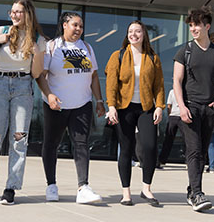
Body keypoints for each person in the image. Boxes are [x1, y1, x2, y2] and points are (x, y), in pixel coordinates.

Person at [0, 0, 46, 205]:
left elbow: (36, 73)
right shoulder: (2, 30)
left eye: (19, 12)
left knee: (19, 138)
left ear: (28, 14)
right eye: (12, 11)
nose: (14, 15)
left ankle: (11, 187)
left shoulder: (38, 39)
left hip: (23, 86)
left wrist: (36, 53)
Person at [36, 12, 106, 204]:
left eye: (81, 26)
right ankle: (51, 185)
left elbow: (93, 76)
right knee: (51, 144)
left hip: (82, 104)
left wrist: (99, 101)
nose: (78, 29)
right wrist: (49, 95)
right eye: (75, 25)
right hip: (56, 105)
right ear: (65, 25)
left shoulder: (87, 48)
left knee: (82, 144)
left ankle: (83, 187)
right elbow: (41, 75)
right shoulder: (53, 47)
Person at [173, 6, 214, 212]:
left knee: (203, 152)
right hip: (190, 107)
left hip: (210, 110)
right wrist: (181, 106)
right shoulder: (185, 51)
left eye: (196, 25)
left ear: (207, 26)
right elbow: (177, 81)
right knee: (194, 150)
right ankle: (197, 194)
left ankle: (192, 190)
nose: (193, 29)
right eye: (190, 25)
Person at [105, 20, 165, 207]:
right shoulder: (119, 56)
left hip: (146, 108)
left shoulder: (153, 57)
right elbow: (111, 84)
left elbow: (159, 85)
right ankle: (126, 193)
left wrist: (159, 106)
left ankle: (146, 189)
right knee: (126, 148)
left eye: (137, 31)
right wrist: (111, 106)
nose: (134, 34)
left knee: (150, 147)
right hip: (124, 108)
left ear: (144, 34)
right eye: (130, 31)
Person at [158, 89, 182, 166]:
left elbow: (169, 106)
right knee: (187, 140)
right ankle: (162, 159)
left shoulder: (172, 91)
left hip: (174, 116)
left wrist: (169, 116)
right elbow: (169, 105)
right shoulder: (174, 91)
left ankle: (162, 160)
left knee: (168, 140)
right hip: (179, 116)